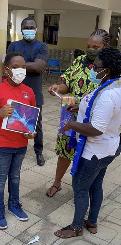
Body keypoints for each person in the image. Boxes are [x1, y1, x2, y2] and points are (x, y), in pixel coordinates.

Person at [54, 47, 121, 238]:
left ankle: (76, 227)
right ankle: (91, 221)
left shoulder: (108, 95)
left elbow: (96, 128)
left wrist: (72, 125)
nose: (92, 68)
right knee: (96, 185)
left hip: (94, 150)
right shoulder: (114, 85)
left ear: (106, 70)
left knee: (81, 187)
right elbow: (99, 107)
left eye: (96, 66)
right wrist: (81, 105)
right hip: (107, 148)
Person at [46, 29, 110, 197]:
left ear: (105, 46)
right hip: (69, 114)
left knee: (86, 154)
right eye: (88, 45)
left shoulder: (108, 68)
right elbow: (67, 83)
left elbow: (108, 97)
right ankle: (57, 182)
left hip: (91, 119)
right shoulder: (79, 61)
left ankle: (83, 190)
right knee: (65, 150)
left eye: (96, 46)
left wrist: (81, 105)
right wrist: (58, 88)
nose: (91, 49)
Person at [0, 52, 36, 230]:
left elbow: (30, 120)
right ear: (6, 69)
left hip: (21, 144)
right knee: (0, 180)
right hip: (2, 144)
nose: (20, 70)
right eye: (15, 67)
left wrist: (31, 133)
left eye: (23, 67)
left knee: (15, 177)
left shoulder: (29, 92)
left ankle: (14, 205)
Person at [7, 17, 48, 166]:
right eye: (26, 27)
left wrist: (18, 65)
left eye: (32, 27)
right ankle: (15, 149)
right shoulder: (14, 45)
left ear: (36, 29)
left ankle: (39, 152)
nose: (29, 30)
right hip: (15, 90)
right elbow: (8, 65)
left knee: (36, 123)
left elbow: (38, 67)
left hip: (34, 91)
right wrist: (33, 65)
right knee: (14, 119)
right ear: (21, 29)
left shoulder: (42, 46)